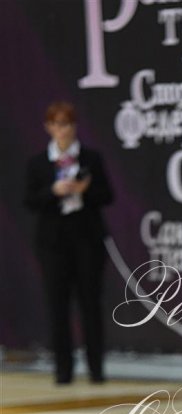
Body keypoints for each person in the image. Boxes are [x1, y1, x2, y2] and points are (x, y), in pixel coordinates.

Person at [23, 101, 114, 384]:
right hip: (53, 243)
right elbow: (29, 201)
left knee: (91, 304)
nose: (64, 130)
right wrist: (53, 191)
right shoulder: (38, 163)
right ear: (49, 127)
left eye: (69, 124)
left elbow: (107, 195)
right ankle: (63, 370)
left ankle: (96, 369)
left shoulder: (90, 159)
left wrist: (84, 190)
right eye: (58, 124)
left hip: (87, 239)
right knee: (57, 306)